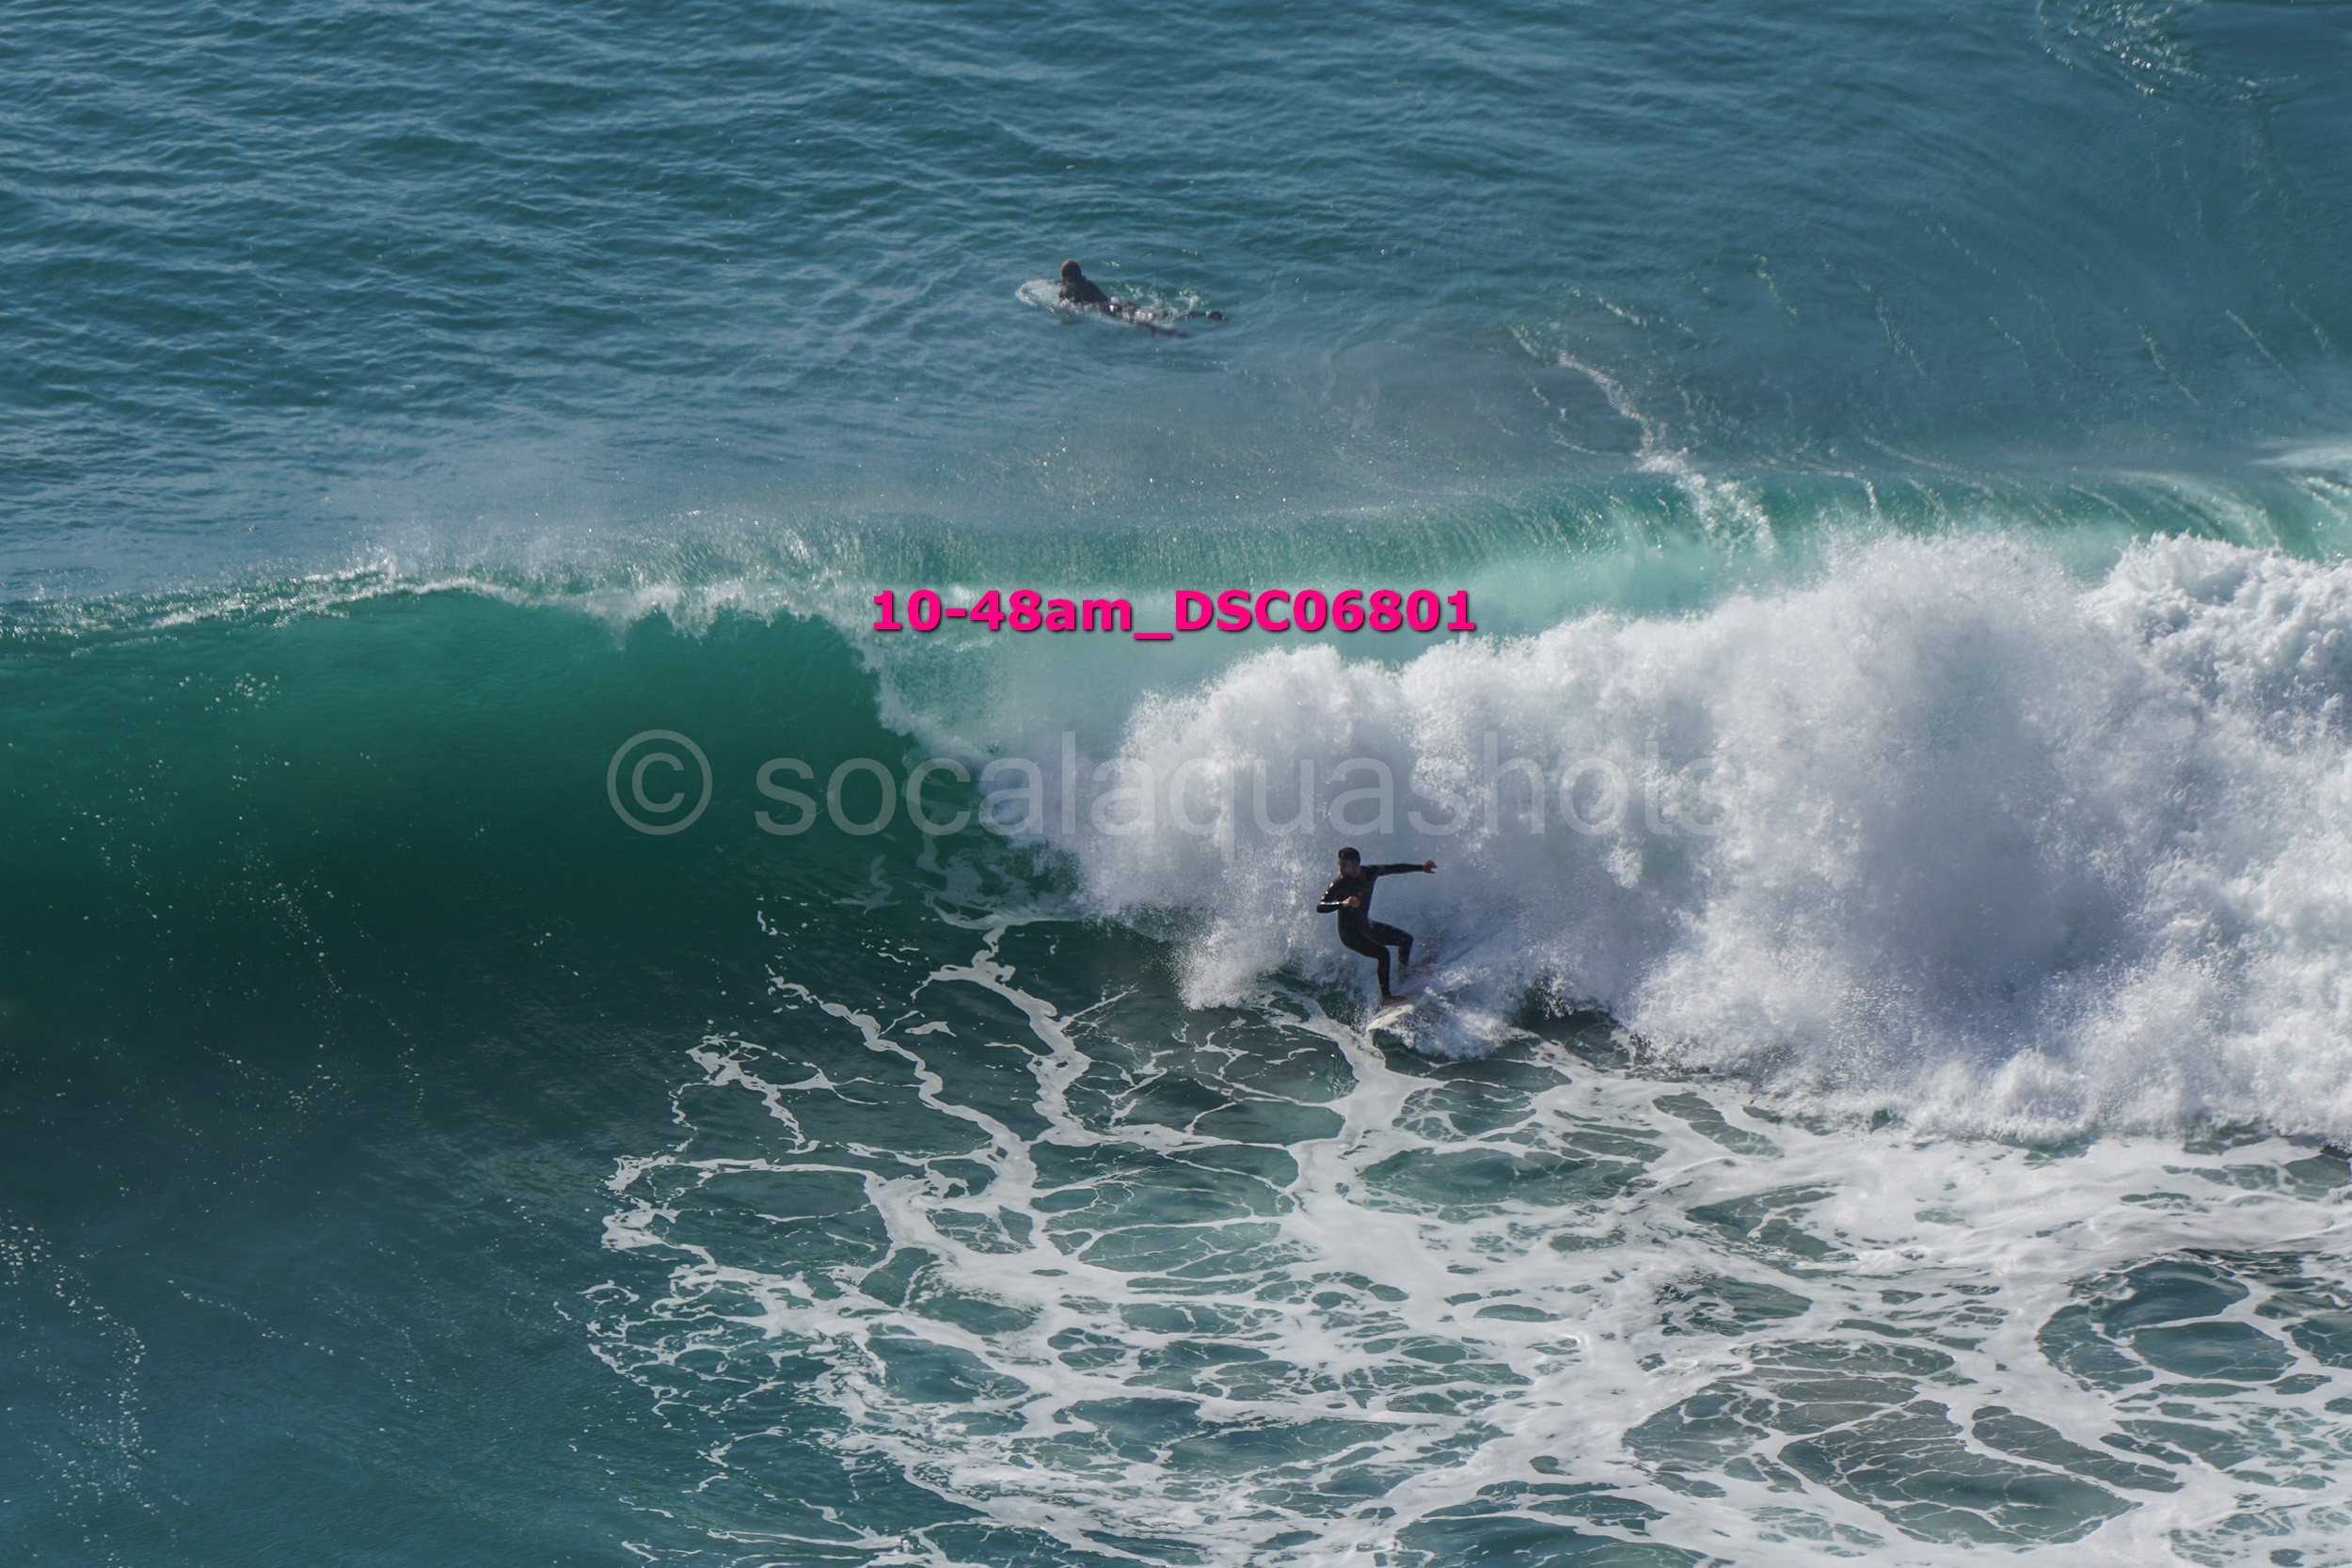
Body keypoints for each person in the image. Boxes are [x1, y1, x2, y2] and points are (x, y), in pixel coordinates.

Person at [1316, 847, 1437, 1005]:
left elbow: (1393, 869)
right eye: (1339, 865)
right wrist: (1342, 903)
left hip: (1366, 927)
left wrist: (1420, 867)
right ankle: (1386, 996)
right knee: (1383, 954)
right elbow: (1320, 906)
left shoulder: (1370, 872)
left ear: (1356, 865)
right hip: (1350, 935)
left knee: (1406, 940)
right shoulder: (1339, 884)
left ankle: (1404, 975)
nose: (1341, 869)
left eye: (1344, 865)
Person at [1057, 260, 1225, 335]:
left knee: (1141, 322)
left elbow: (1063, 306)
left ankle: (1169, 332)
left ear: (1065, 277)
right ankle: (1201, 314)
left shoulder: (1067, 289)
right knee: (1155, 312)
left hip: (1107, 309)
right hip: (1117, 302)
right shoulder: (1088, 283)